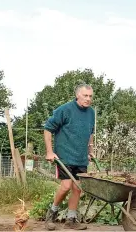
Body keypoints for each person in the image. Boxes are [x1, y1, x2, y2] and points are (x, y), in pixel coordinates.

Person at [43, 83, 96, 230]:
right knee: (66, 186)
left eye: (90, 96)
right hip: (64, 156)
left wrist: (90, 149)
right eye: (85, 95)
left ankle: (71, 219)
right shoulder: (64, 110)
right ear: (77, 95)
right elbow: (47, 130)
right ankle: (52, 213)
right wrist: (49, 152)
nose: (88, 99)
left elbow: (90, 132)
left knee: (77, 188)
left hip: (81, 158)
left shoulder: (91, 112)